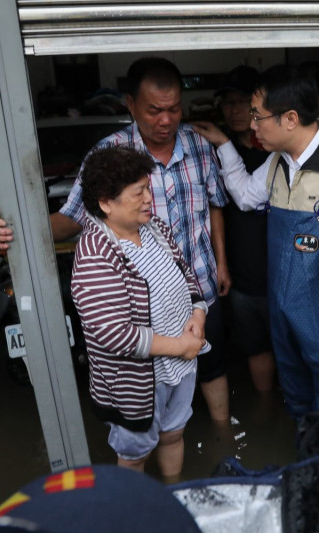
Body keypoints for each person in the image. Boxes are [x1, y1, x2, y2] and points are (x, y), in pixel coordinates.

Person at [0, 57, 232, 423]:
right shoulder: (108, 156)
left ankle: (222, 440)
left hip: (199, 288)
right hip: (142, 309)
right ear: (130, 104)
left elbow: (215, 206)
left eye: (173, 109)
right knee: (149, 396)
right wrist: (20, 230)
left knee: (212, 368)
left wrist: (222, 263)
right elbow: (70, 221)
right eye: (154, 110)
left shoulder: (198, 145)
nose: (166, 120)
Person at [193, 65, 319, 453]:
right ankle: (306, 467)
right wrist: (224, 146)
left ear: (290, 118)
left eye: (256, 115)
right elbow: (247, 196)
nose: (251, 124)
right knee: (296, 396)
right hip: (287, 312)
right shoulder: (279, 161)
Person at [70, 145, 205, 481]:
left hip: (180, 364)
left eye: (147, 188)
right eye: (138, 192)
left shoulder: (154, 228)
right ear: (106, 202)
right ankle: (136, 515)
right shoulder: (94, 255)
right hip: (138, 382)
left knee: (173, 434)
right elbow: (114, 334)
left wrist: (198, 316)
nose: (149, 199)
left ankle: (172, 492)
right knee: (134, 453)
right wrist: (180, 346)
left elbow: (186, 274)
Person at [212, 65, 275, 392]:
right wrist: (222, 264)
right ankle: (266, 410)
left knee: (291, 347)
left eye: (243, 103)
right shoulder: (215, 149)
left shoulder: (279, 149)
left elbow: (248, 196)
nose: (236, 110)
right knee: (255, 345)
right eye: (228, 102)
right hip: (243, 271)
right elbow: (215, 209)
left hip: (282, 272)